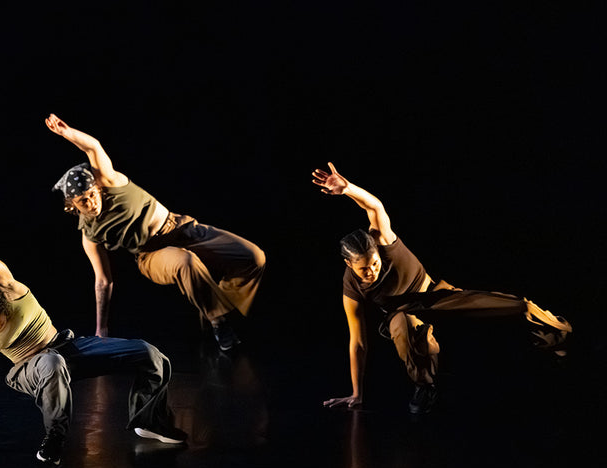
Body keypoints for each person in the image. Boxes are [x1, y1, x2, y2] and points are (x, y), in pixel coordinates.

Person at [0, 206, 186, 465]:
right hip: (30, 369)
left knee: (148, 353)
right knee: (51, 364)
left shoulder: (9, 287)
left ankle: (148, 420)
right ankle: (54, 438)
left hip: (65, 349)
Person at [311, 162, 572, 414]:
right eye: (364, 269)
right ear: (348, 264)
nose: (372, 271)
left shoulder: (383, 240)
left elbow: (375, 207)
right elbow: (357, 341)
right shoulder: (351, 285)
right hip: (404, 313)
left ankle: (562, 340)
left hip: (436, 295)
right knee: (402, 325)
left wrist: (348, 190)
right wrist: (357, 393)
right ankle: (425, 386)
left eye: (375, 264)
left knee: (518, 306)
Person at [45, 113, 266, 351]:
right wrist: (102, 329)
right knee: (186, 261)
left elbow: (93, 147)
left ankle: (210, 303)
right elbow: (103, 282)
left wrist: (66, 133)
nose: (91, 202)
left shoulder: (110, 181)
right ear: (73, 206)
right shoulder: (90, 235)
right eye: (83, 201)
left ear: (97, 186)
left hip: (181, 227)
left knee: (253, 258)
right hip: (151, 255)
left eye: (92, 194)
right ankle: (217, 320)